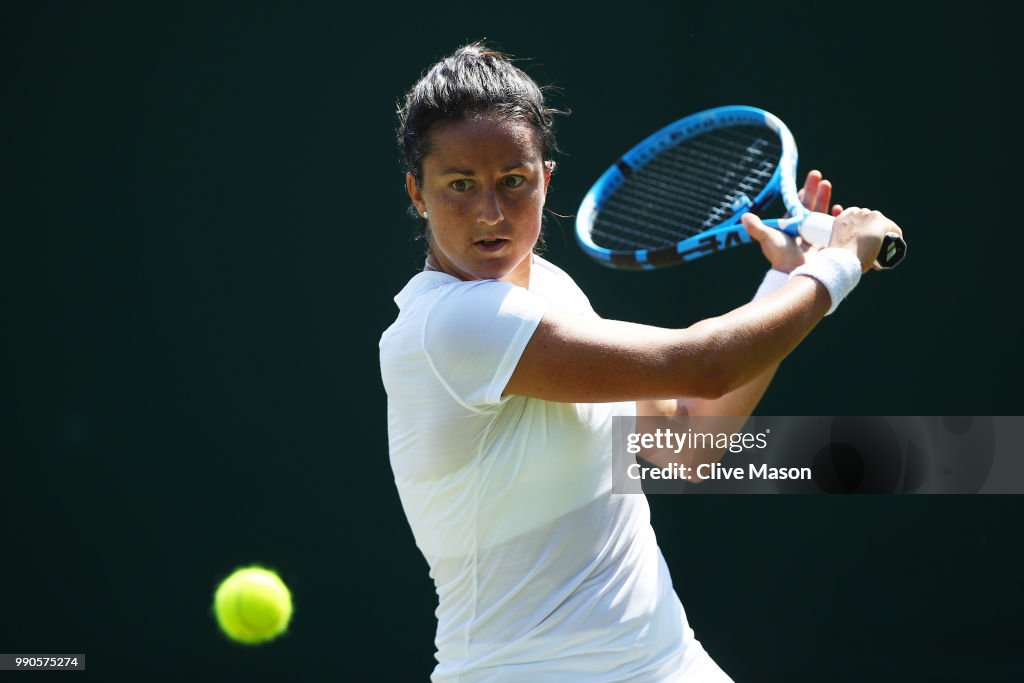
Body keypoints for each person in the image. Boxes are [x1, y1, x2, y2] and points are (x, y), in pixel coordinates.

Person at [379, 43, 902, 682]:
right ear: (417, 192)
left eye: (512, 181)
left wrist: (787, 283)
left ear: (546, 178)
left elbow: (686, 440)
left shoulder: (551, 291)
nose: (491, 212)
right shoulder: (449, 326)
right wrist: (836, 265)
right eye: (460, 185)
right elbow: (704, 365)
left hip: (664, 664)